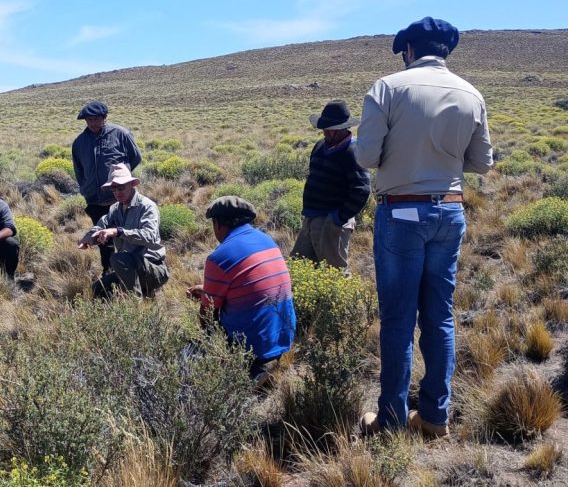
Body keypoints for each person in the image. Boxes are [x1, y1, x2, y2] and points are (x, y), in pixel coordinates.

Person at [355, 17, 493, 437]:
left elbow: (366, 157)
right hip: (449, 212)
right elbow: (482, 162)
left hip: (401, 212)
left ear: (409, 50)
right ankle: (434, 417)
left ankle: (391, 420)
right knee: (440, 317)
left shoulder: (387, 88)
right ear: (445, 51)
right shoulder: (471, 94)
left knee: (398, 320)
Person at [187, 196, 297, 382]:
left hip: (252, 348)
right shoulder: (268, 241)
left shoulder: (219, 257)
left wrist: (211, 338)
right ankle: (269, 364)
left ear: (217, 224)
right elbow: (251, 285)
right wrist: (207, 290)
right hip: (284, 338)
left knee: (188, 354)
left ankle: (251, 370)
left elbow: (207, 316)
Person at [291, 100, 371, 270]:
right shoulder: (320, 146)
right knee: (298, 265)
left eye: (332, 129)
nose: (327, 132)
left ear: (344, 128)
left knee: (334, 271)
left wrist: (338, 218)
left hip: (333, 221)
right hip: (311, 218)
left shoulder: (353, 151)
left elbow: (362, 190)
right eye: (325, 128)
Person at [71, 100, 142, 274]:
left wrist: (122, 181)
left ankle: (134, 269)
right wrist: (86, 188)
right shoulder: (79, 142)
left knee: (128, 234)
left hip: (120, 197)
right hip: (96, 200)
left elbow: (135, 157)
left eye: (96, 119)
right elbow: (78, 169)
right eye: (89, 120)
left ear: (105, 118)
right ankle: (108, 271)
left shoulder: (121, 134)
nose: (92, 123)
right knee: (102, 237)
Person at [78, 163, 168, 298]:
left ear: (131, 184)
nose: (116, 192)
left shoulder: (147, 207)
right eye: (113, 188)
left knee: (119, 259)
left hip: (153, 269)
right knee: (97, 289)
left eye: (120, 187)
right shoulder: (115, 208)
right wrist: (90, 237)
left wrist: (118, 232)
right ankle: (139, 293)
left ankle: (135, 304)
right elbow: (102, 225)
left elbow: (149, 236)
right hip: (128, 268)